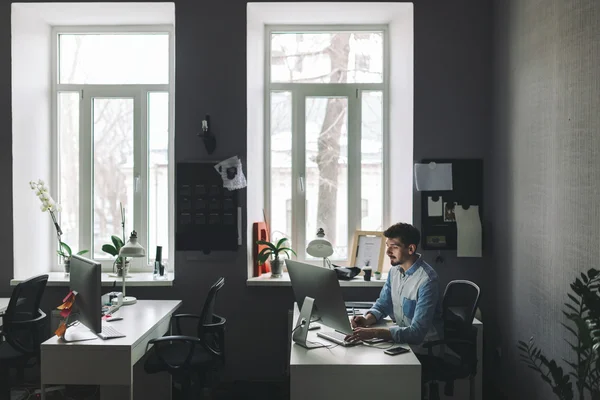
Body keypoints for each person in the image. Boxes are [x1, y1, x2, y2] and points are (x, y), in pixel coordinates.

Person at [345, 222, 444, 355]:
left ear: (411, 249)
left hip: (424, 348)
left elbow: (417, 333)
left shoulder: (427, 280)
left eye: (394, 247)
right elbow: (383, 304)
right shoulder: (394, 271)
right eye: (387, 246)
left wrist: (374, 333)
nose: (387, 252)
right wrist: (366, 319)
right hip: (403, 342)